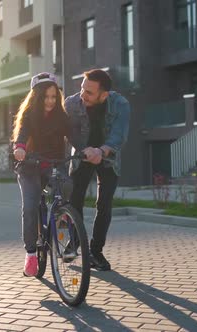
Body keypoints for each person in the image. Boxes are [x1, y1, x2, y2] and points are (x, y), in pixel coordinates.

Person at [65, 69, 131, 271]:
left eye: (89, 92)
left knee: (104, 205)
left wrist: (101, 151)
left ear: (104, 95)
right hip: (82, 155)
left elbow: (119, 136)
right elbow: (69, 131)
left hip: (107, 157)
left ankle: (96, 251)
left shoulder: (121, 104)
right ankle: (74, 241)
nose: (83, 95)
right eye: (82, 88)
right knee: (75, 201)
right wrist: (86, 150)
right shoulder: (71, 103)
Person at [11, 72, 72, 277]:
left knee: (65, 191)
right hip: (30, 165)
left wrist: (88, 149)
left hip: (53, 163)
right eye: (46, 97)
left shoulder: (61, 116)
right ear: (37, 97)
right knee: (30, 207)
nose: (50, 101)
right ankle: (30, 254)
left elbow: (73, 135)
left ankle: (63, 231)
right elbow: (22, 134)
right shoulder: (29, 116)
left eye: (54, 97)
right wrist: (20, 148)